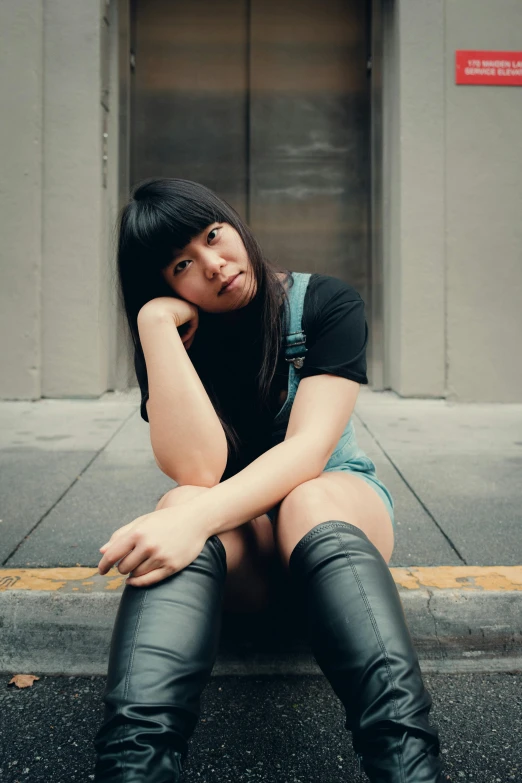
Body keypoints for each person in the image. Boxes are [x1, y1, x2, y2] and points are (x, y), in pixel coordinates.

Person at [93, 178, 443, 782]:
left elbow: (309, 450)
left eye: (212, 236)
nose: (214, 265)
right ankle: (133, 768)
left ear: (231, 223)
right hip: (246, 546)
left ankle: (409, 769)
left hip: (335, 516)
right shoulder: (173, 339)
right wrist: (154, 326)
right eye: (183, 264)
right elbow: (198, 471)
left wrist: (191, 519)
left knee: (298, 497)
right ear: (165, 282)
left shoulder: (325, 303)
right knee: (183, 493)